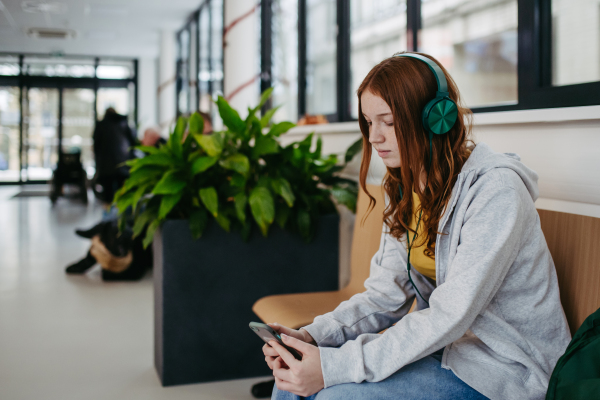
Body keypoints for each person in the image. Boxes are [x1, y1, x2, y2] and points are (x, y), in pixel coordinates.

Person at [263, 53, 571, 400]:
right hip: (446, 352)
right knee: (291, 380)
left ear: (435, 119)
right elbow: (386, 295)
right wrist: (314, 337)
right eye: (368, 122)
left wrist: (334, 367)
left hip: (504, 370)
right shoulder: (407, 188)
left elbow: (449, 315)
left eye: (389, 122)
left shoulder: (496, 192)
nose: (375, 137)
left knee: (334, 395)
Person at [92, 107, 137, 204]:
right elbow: (133, 143)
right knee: (122, 192)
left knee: (108, 195)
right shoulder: (124, 123)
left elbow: (96, 146)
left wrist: (97, 164)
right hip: (123, 164)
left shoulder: (101, 125)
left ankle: (109, 214)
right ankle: (120, 214)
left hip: (106, 165)